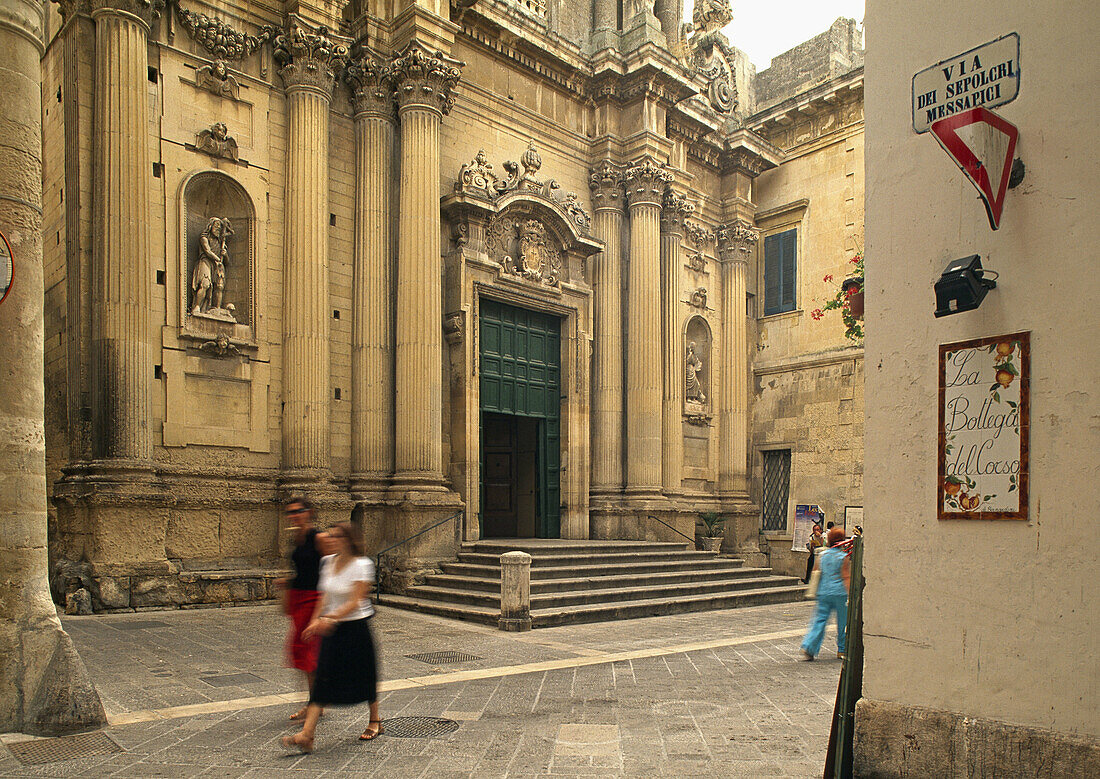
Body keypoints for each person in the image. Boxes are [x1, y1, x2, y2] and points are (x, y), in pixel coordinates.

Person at [282, 522, 381, 753]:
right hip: (330, 629)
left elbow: (356, 601)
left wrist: (329, 618)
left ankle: (375, 720)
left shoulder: (362, 565)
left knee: (366, 675)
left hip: (356, 628)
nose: (330, 540)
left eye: (336, 536)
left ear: (348, 540)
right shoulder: (327, 562)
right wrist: (315, 621)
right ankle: (307, 735)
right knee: (322, 678)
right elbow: (323, 597)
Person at [277, 497, 323, 722]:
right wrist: (287, 582)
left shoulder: (319, 538)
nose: (294, 515)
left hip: (313, 599)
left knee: (308, 653)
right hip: (299, 598)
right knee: (302, 652)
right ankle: (315, 701)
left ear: (309, 512)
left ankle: (314, 703)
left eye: (298, 511)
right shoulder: (296, 538)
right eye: (290, 512)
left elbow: (329, 569)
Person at [801, 526, 851, 661]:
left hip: (824, 591)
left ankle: (809, 646)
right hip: (840, 593)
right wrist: (850, 593)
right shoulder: (843, 557)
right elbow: (845, 576)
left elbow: (816, 572)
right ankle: (842, 649)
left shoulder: (821, 555)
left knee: (819, 620)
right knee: (843, 622)